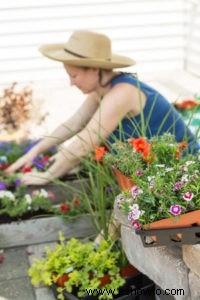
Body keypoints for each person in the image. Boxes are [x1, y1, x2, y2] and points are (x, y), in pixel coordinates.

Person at [4, 30, 200, 185]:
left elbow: (85, 143)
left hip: (184, 171)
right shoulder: (103, 90)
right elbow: (74, 124)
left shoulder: (122, 92)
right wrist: (34, 152)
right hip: (154, 171)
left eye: (74, 75)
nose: (71, 83)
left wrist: (47, 175)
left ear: (95, 69)